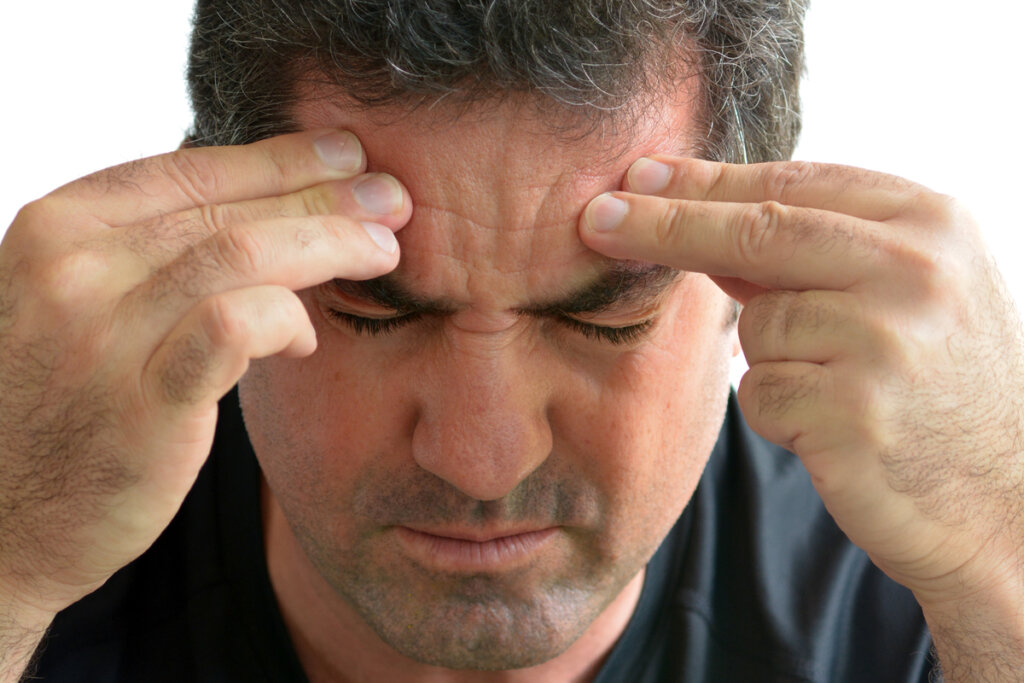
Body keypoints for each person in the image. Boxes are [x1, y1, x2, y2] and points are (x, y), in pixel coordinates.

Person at [2, 1, 1022, 681]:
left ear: (764, 257)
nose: (481, 456)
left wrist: (995, 560)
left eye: (601, 317)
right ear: (210, 233)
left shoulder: (921, 608)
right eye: (373, 309)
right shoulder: (50, 530)